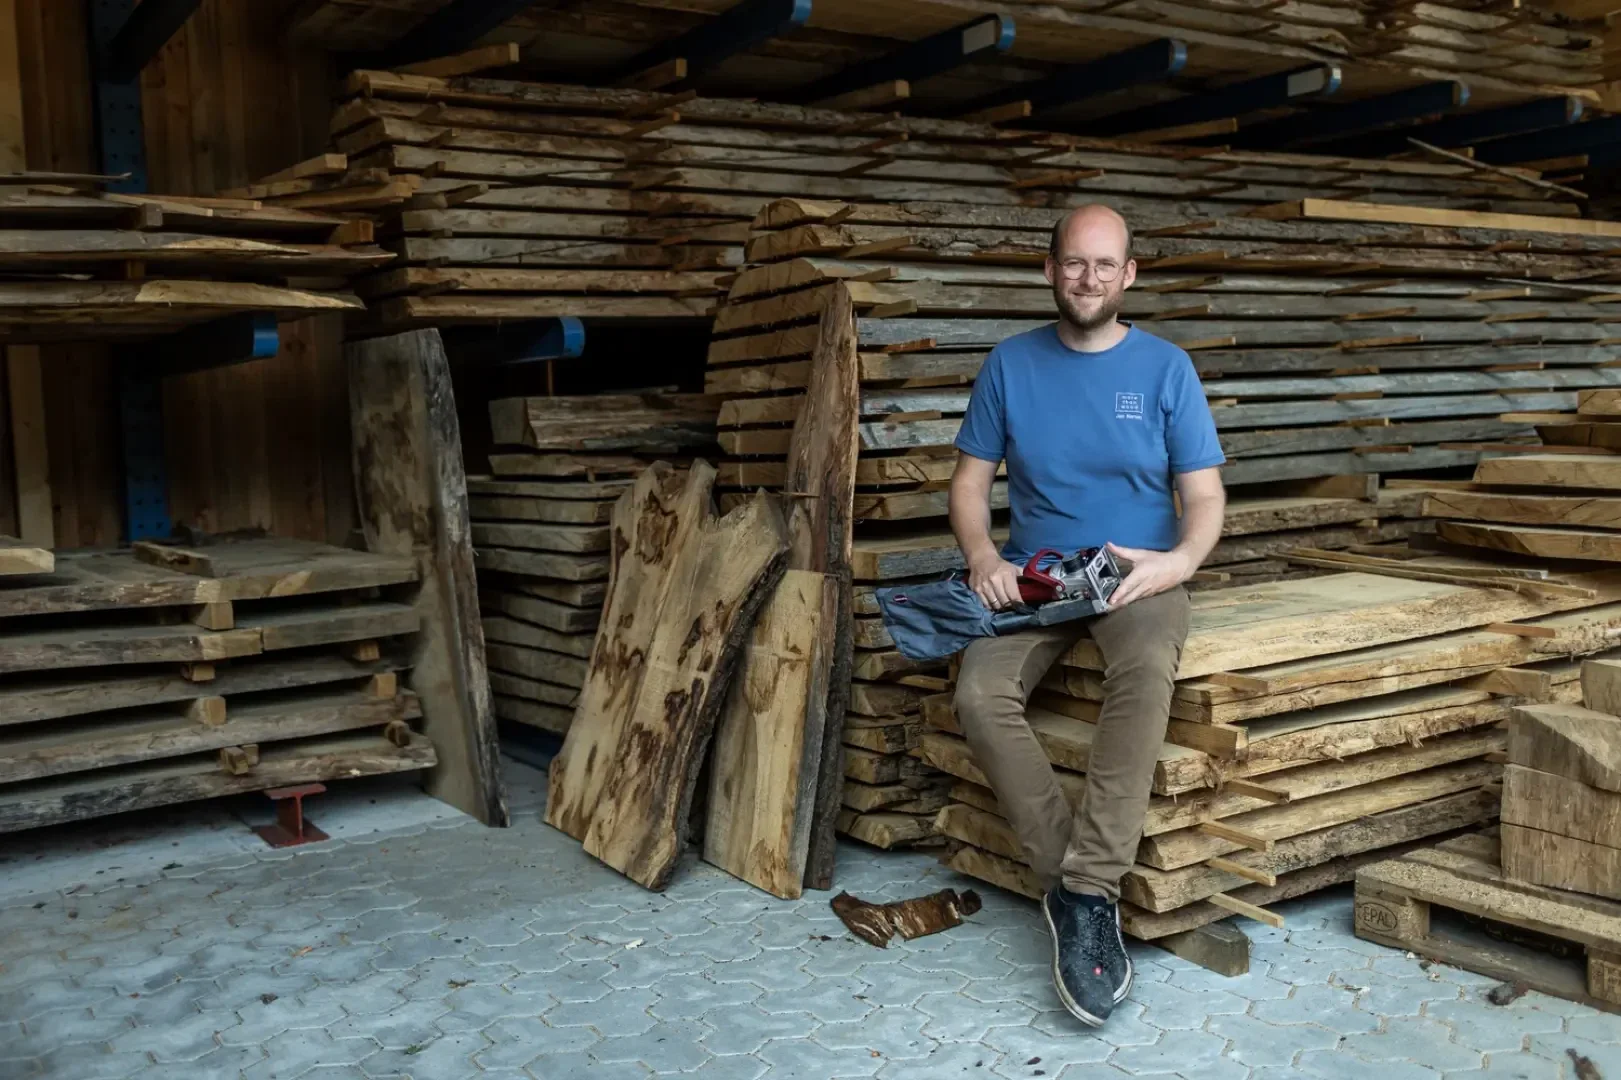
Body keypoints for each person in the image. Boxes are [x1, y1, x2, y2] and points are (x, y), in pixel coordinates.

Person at [947, 204, 1227, 1026]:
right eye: (1074, 263)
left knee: (1142, 673)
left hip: (1136, 573)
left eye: (1105, 265)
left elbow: (1203, 496)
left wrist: (1178, 562)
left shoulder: (1166, 368)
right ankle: (1071, 890)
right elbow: (969, 483)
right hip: (1036, 578)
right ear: (1049, 270)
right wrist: (983, 557)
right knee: (976, 695)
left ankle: (1090, 888)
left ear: (1129, 275)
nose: (1088, 278)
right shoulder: (1010, 364)